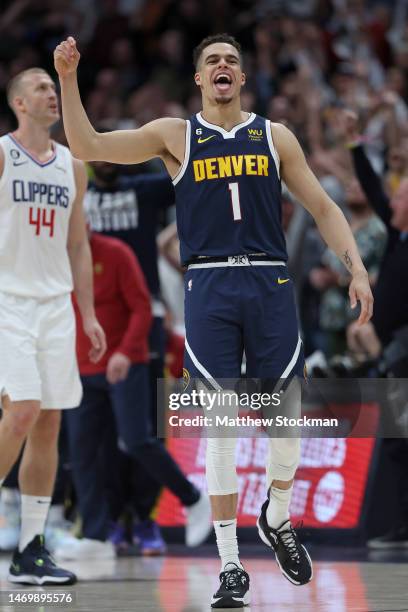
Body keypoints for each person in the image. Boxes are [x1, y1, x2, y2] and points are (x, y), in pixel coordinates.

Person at [54, 34, 373, 608]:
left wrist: (356, 269)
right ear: (199, 79)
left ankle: (276, 516)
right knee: (221, 429)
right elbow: (87, 143)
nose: (223, 67)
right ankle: (230, 568)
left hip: (270, 281)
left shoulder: (274, 137)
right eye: (212, 62)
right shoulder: (175, 135)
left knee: (287, 428)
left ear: (243, 79)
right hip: (210, 286)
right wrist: (69, 78)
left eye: (232, 61)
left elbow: (324, 208)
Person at [0, 67, 106, 585]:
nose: (50, 94)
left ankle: (30, 549)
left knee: (49, 424)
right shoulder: (2, 153)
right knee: (21, 411)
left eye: (52, 87)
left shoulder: (73, 165)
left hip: (56, 306)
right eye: (41, 88)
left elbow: (78, 245)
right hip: (7, 301)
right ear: (19, 103)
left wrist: (86, 313)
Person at [55, 231, 212, 560]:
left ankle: (194, 499)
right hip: (79, 369)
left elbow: (143, 308)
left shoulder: (115, 253)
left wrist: (125, 352)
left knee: (137, 439)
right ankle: (96, 537)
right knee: (82, 452)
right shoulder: (51, 257)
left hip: (126, 365)